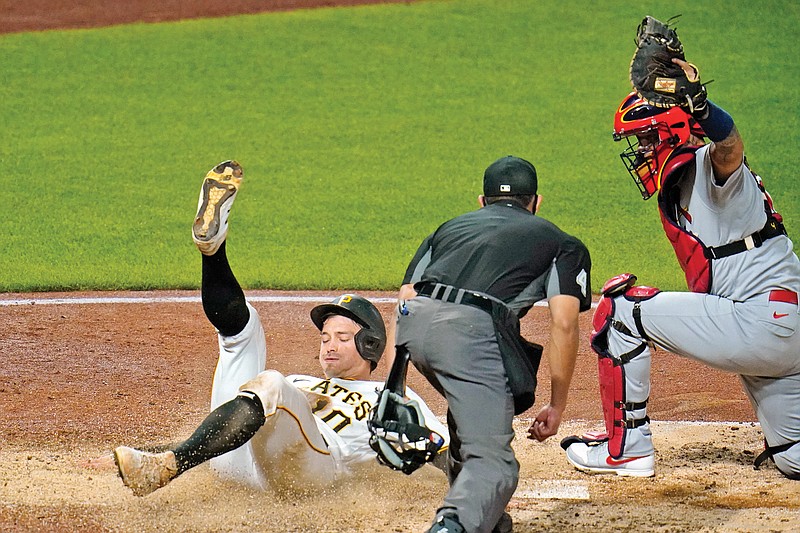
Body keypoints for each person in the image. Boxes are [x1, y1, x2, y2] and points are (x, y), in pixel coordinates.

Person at [112, 160, 448, 497]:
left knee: (272, 383)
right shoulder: (302, 383)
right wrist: (147, 450)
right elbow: (229, 426)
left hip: (309, 474)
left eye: (343, 338)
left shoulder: (393, 399)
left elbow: (447, 452)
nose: (329, 345)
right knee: (244, 335)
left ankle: (169, 467)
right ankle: (213, 252)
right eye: (325, 337)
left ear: (370, 346)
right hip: (243, 465)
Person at [561, 58, 800, 479]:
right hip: (781, 331)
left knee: (621, 313)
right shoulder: (687, 178)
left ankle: (628, 451)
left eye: (647, 140)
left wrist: (702, 110)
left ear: (671, 132)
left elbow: (730, 146)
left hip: (763, 323)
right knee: (792, 455)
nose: (641, 153)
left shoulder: (713, 167)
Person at [394, 155, 592, 533]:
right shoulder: (562, 243)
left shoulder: (448, 229)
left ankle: (486, 519)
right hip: (469, 336)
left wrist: (392, 390)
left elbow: (405, 298)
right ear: (536, 202)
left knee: (471, 412)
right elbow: (564, 322)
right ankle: (454, 525)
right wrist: (557, 403)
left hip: (416, 329)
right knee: (495, 463)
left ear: (481, 202)